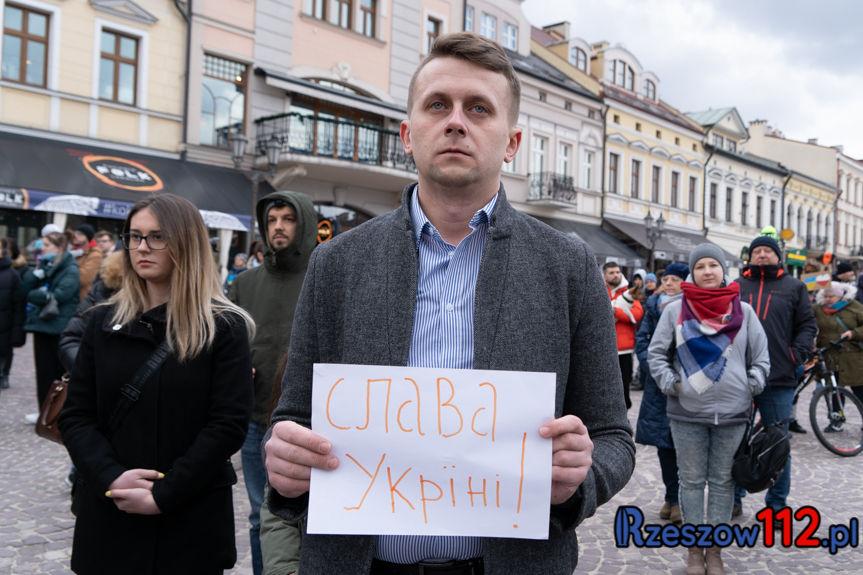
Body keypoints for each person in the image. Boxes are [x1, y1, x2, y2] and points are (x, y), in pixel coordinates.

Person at [263, 32, 635, 575]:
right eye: (438, 105)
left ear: (511, 142)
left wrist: (581, 477)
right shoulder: (337, 263)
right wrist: (284, 460)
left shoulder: (567, 264)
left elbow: (613, 437)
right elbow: (294, 418)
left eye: (479, 108)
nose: (456, 121)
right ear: (407, 134)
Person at [58, 194, 255, 575]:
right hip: (110, 517)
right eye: (134, 236)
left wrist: (164, 494)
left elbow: (228, 424)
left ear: (185, 243)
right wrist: (111, 476)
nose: (142, 247)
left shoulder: (224, 328)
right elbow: (76, 416)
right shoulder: (102, 322)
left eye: (157, 236)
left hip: (188, 522)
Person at [648, 244, 769, 575]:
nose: (707, 271)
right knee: (689, 481)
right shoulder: (675, 310)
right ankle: (693, 551)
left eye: (713, 265)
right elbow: (656, 353)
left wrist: (752, 383)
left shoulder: (744, 312)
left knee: (722, 482)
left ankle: (714, 551)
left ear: (723, 270)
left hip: (733, 412)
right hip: (687, 411)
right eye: (700, 266)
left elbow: (761, 357)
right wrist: (671, 383)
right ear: (692, 272)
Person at [228, 190, 317, 575]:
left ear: (305, 223)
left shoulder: (323, 274)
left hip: (309, 425)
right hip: (255, 419)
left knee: (307, 520)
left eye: (288, 219)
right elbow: (227, 343)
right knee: (260, 516)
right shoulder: (245, 284)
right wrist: (235, 368)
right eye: (272, 220)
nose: (278, 227)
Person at [733, 235, 816, 520]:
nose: (762, 254)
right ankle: (734, 498)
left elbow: (807, 324)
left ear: (778, 257)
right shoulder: (736, 286)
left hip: (778, 377)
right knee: (735, 441)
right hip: (739, 378)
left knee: (779, 442)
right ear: (749, 256)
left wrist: (796, 354)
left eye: (767, 250)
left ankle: (777, 505)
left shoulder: (794, 287)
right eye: (757, 250)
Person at [634, 262, 689, 525]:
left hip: (684, 385)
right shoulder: (653, 306)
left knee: (682, 444)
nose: (668, 283)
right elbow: (642, 341)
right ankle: (671, 497)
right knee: (663, 445)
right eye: (666, 279)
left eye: (675, 279)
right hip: (657, 386)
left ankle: (679, 499)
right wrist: (654, 368)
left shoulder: (692, 307)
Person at [20, 231, 80, 422]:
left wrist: (36, 295)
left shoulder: (70, 269)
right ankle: (44, 412)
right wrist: (38, 271)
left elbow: (59, 296)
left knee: (55, 374)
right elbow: (25, 287)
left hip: (57, 327)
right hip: (43, 325)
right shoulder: (46, 265)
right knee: (43, 373)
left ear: (59, 247)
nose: (42, 248)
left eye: (47, 245)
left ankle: (54, 415)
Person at [813, 282, 863, 407]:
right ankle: (836, 417)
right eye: (826, 296)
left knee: (859, 390)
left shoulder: (854, 306)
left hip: (852, 357)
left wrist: (854, 333)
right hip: (829, 356)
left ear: (841, 296)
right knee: (835, 391)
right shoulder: (817, 309)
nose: (828, 299)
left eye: (832, 296)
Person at [604, 261, 644, 409]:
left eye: (618, 272)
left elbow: (637, 314)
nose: (616, 275)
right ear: (605, 275)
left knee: (623, 387)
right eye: (611, 273)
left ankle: (623, 417)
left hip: (624, 348)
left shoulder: (628, 292)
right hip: (604, 348)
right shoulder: (600, 290)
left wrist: (616, 312)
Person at [0, 238, 26, 390]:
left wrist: (18, 329)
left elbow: (19, 305)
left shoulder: (13, 275)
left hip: (5, 322)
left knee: (4, 349)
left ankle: (4, 374)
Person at [70, 223, 103, 300]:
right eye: (75, 233)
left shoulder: (95, 255)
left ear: (88, 237)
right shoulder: (72, 251)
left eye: (80, 234)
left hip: (80, 297)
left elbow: (83, 279)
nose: (75, 236)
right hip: (68, 294)